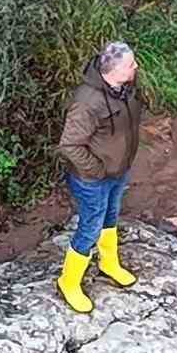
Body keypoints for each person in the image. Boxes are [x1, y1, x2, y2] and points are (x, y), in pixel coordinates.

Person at [56, 41, 142, 312]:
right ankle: (69, 281)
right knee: (90, 227)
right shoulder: (86, 103)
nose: (136, 67)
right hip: (92, 179)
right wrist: (97, 170)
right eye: (131, 64)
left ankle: (109, 263)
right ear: (114, 70)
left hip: (118, 171)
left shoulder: (125, 88)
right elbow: (69, 145)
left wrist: (118, 164)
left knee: (111, 217)